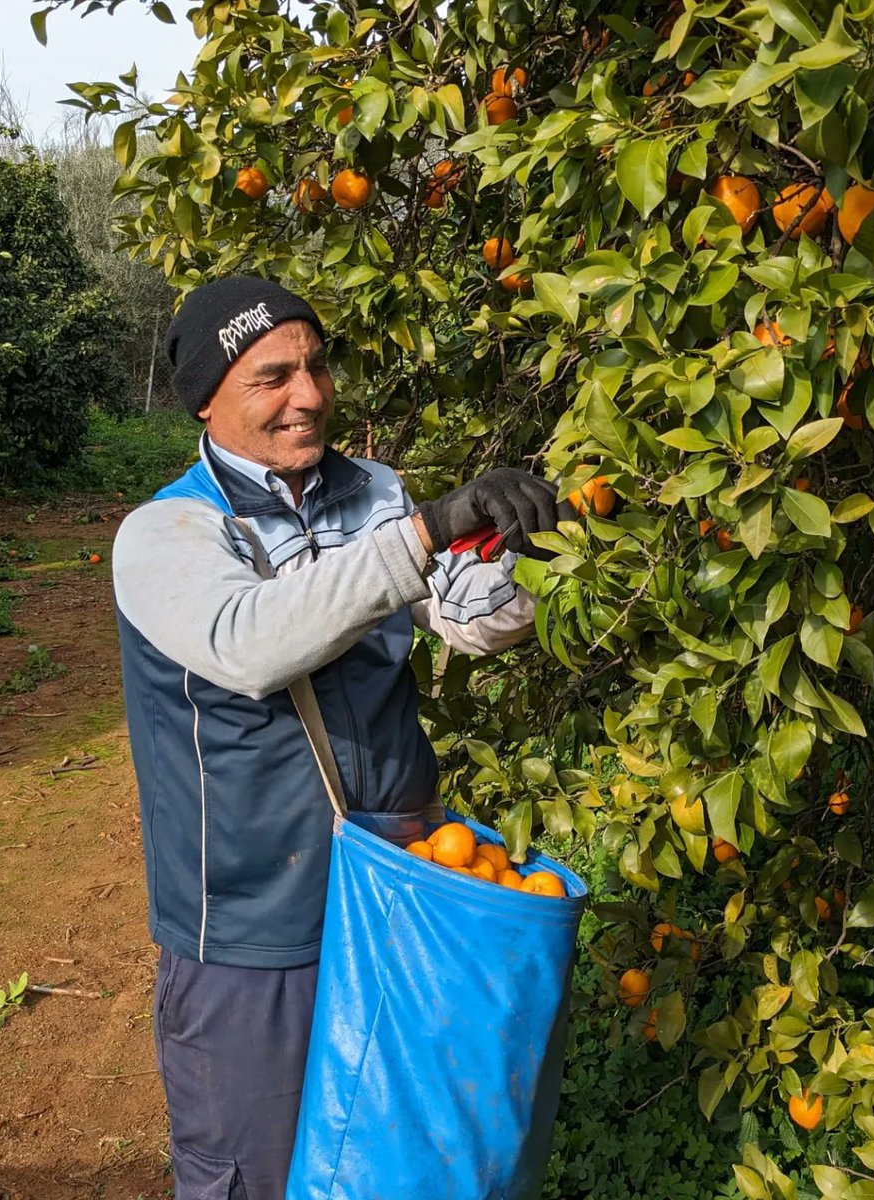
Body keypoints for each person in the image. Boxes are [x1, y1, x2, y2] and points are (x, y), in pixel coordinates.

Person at [111, 275, 565, 1200]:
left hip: (405, 889)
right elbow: (252, 642)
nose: (309, 395)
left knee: (403, 1162)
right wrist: (431, 529)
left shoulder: (374, 493)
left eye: (315, 367)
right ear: (206, 399)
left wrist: (519, 568)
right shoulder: (165, 534)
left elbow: (463, 620)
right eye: (272, 377)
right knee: (258, 1170)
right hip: (255, 929)